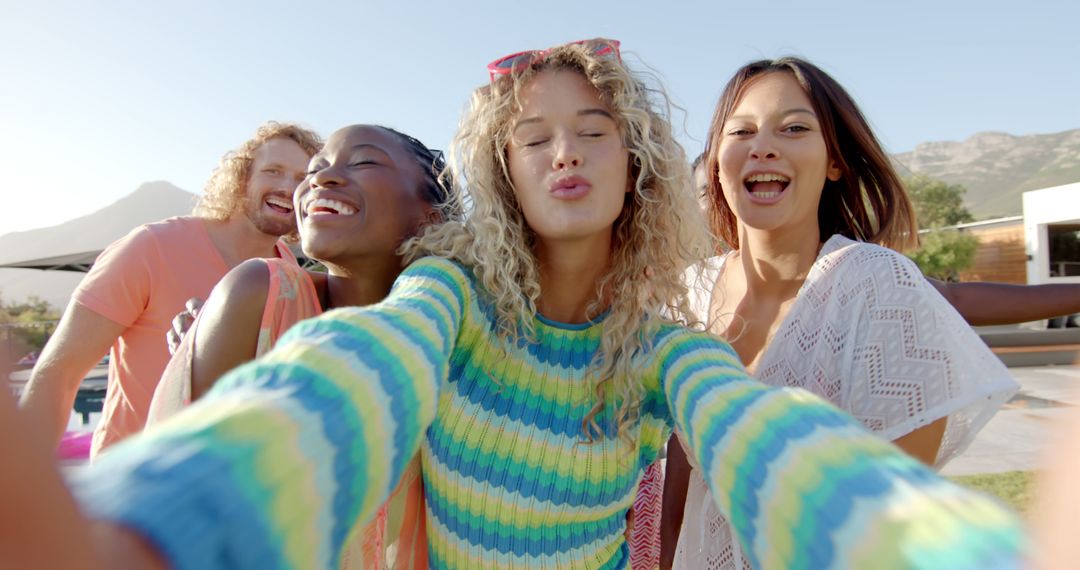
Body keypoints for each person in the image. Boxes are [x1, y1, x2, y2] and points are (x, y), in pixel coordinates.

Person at [51, 40, 1021, 570]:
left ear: (636, 166)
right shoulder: (451, 301)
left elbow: (768, 436)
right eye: (534, 137)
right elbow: (347, 378)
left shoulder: (657, 345)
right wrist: (150, 516)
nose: (565, 152)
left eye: (593, 131)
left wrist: (953, 547)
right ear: (499, 170)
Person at [662, 57, 1022, 570]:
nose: (763, 144)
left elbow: (893, 522)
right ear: (717, 162)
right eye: (741, 130)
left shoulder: (879, 288)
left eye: (794, 128)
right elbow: (679, 485)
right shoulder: (687, 295)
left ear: (835, 162)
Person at [146, 124, 450, 570]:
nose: (321, 179)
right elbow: (178, 509)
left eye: (363, 161)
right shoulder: (263, 297)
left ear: (431, 213)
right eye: (317, 168)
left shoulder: (457, 339)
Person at [18, 121, 322, 458]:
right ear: (243, 178)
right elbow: (58, 371)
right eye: (273, 171)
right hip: (130, 488)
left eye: (301, 179)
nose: (286, 187)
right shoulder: (151, 247)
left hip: (231, 492)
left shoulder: (293, 275)